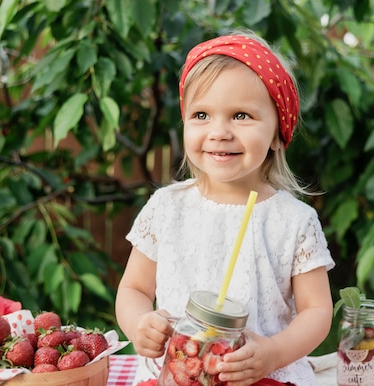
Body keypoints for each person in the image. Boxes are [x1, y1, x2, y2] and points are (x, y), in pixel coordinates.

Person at [115, 31, 335, 386]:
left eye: (241, 116)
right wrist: (141, 322)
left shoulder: (294, 220)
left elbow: (317, 311)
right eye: (201, 114)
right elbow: (134, 290)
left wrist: (273, 354)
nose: (219, 131)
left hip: (262, 376)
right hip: (178, 375)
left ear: (279, 133)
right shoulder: (167, 207)